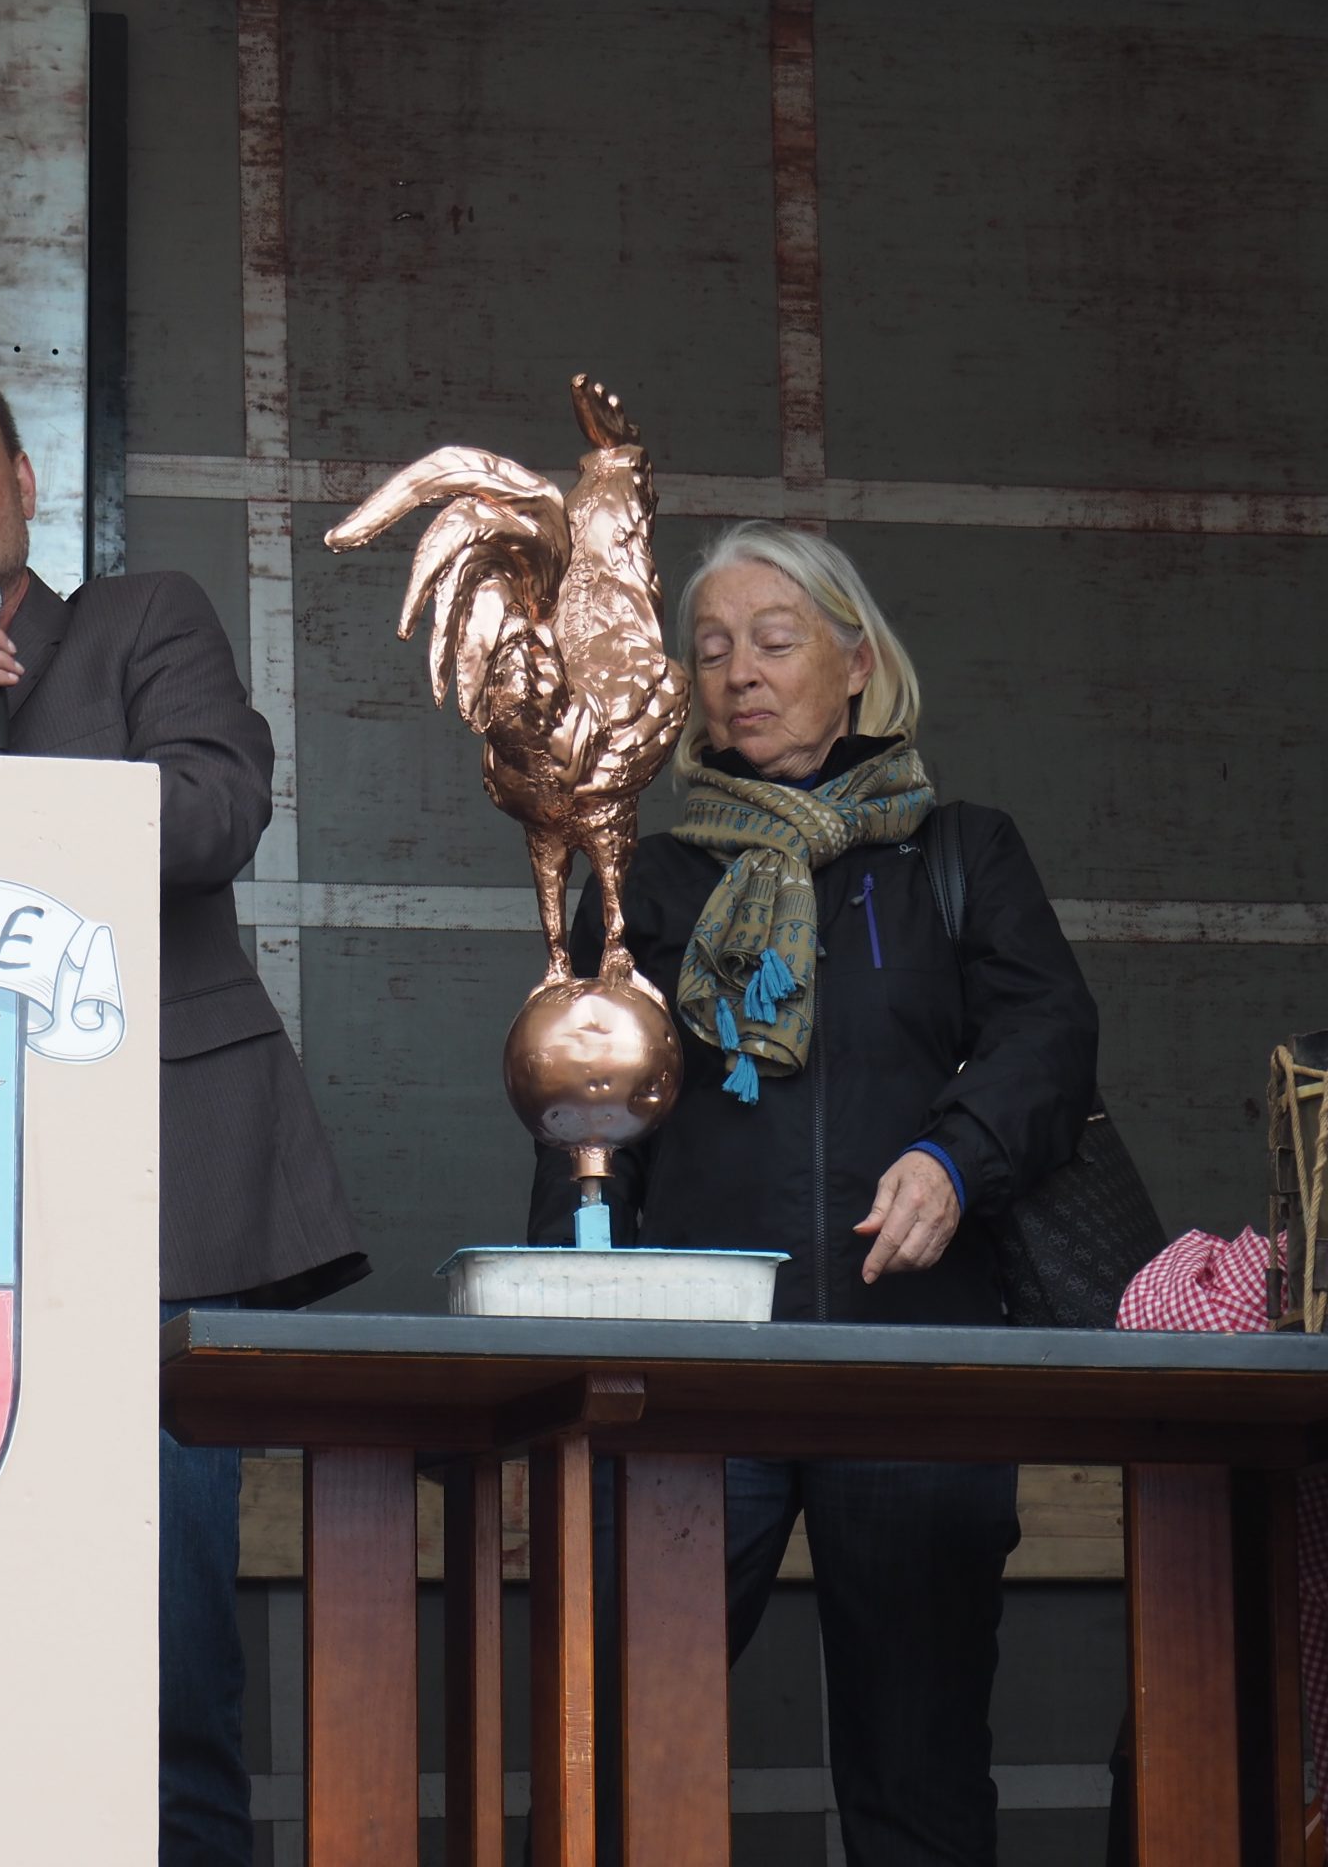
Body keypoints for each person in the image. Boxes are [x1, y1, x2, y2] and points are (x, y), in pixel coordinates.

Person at [0, 350, 365, 1866]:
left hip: (166, 1213)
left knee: (169, 1670)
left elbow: (216, 813)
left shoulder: (141, 621)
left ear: (25, 485)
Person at [527, 521, 1098, 1866]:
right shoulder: (650, 878)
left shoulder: (961, 851)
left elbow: (1050, 1039)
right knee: (626, 1750)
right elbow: (588, 1121)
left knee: (920, 1780)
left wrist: (956, 1155)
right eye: (710, 648)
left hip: (912, 1361)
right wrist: (553, 1353)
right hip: (695, 1376)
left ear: (857, 662)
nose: (739, 674)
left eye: (776, 642)